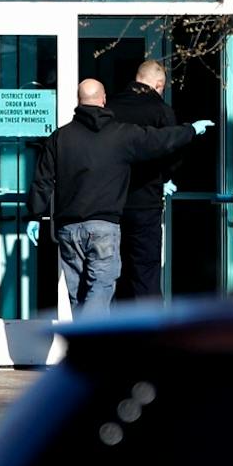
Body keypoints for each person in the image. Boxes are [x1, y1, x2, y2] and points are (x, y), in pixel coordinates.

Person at [26, 78, 210, 313]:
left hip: (69, 228)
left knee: (78, 296)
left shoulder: (60, 137)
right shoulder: (121, 135)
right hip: (104, 226)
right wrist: (191, 129)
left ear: (78, 101)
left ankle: (84, 342)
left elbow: (43, 180)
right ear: (103, 100)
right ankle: (91, 342)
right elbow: (159, 140)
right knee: (100, 289)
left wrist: (34, 214)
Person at [109, 59, 179, 301]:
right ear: (159, 84)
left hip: (111, 202)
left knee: (111, 272)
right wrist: (165, 177)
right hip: (146, 201)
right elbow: (173, 150)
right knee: (145, 272)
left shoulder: (110, 107)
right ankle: (148, 334)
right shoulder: (160, 110)